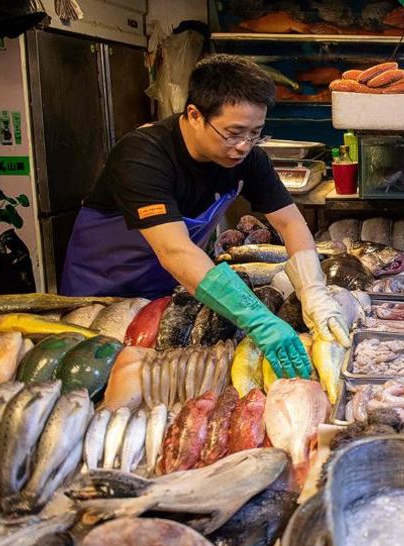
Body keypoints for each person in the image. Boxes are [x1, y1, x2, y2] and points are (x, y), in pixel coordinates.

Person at [60, 54, 351, 378]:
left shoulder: (248, 160)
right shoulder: (143, 154)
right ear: (195, 115)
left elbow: (290, 222)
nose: (243, 145)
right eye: (233, 132)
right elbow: (175, 250)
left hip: (174, 291)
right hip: (100, 297)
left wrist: (313, 290)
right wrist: (258, 318)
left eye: (255, 133)